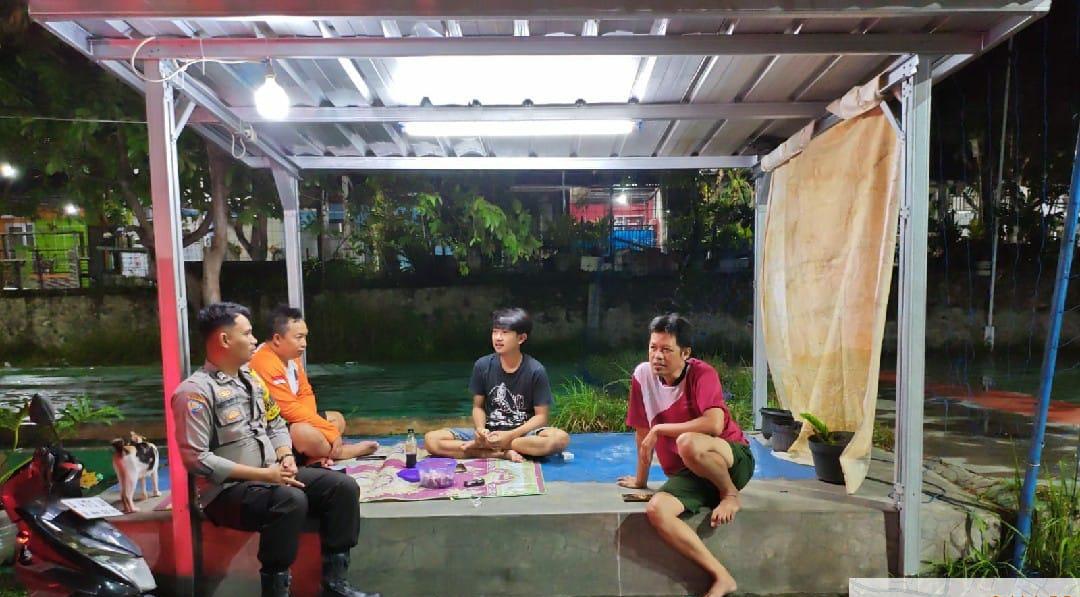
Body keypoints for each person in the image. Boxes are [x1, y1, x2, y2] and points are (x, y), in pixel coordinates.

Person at [172, 302, 378, 597]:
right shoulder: (194, 392)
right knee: (290, 500)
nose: (255, 340)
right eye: (247, 333)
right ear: (225, 340)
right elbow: (196, 459)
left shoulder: (252, 381)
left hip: (271, 476)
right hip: (227, 492)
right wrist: (265, 475)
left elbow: (276, 423)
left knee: (341, 487)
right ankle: (276, 590)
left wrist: (285, 455)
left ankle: (335, 584)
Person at [617, 314, 754, 597]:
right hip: (691, 473)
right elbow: (643, 432)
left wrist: (661, 429)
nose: (657, 356)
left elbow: (714, 424)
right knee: (657, 509)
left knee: (688, 442)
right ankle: (722, 577)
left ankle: (729, 495)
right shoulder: (642, 376)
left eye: (666, 350)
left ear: (685, 353)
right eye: (653, 347)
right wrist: (641, 481)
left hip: (730, 460)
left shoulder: (702, 374)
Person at [424, 308, 570, 462]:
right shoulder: (482, 365)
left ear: (521, 338)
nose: (498, 338)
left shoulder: (536, 370)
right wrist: (481, 430)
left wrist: (510, 435)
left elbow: (541, 417)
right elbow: (478, 407)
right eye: (495, 332)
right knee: (431, 440)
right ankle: (499, 453)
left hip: (521, 436)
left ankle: (490, 448)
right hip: (490, 433)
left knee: (559, 439)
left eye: (505, 333)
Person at [249, 305, 378, 465]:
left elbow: (305, 392)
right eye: (298, 337)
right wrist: (327, 431)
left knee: (336, 418)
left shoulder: (291, 356)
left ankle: (315, 457)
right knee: (302, 432)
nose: (304, 343)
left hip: (295, 420)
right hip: (275, 431)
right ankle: (341, 452)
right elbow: (287, 409)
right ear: (277, 339)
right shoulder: (264, 362)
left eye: (305, 337)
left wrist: (316, 425)